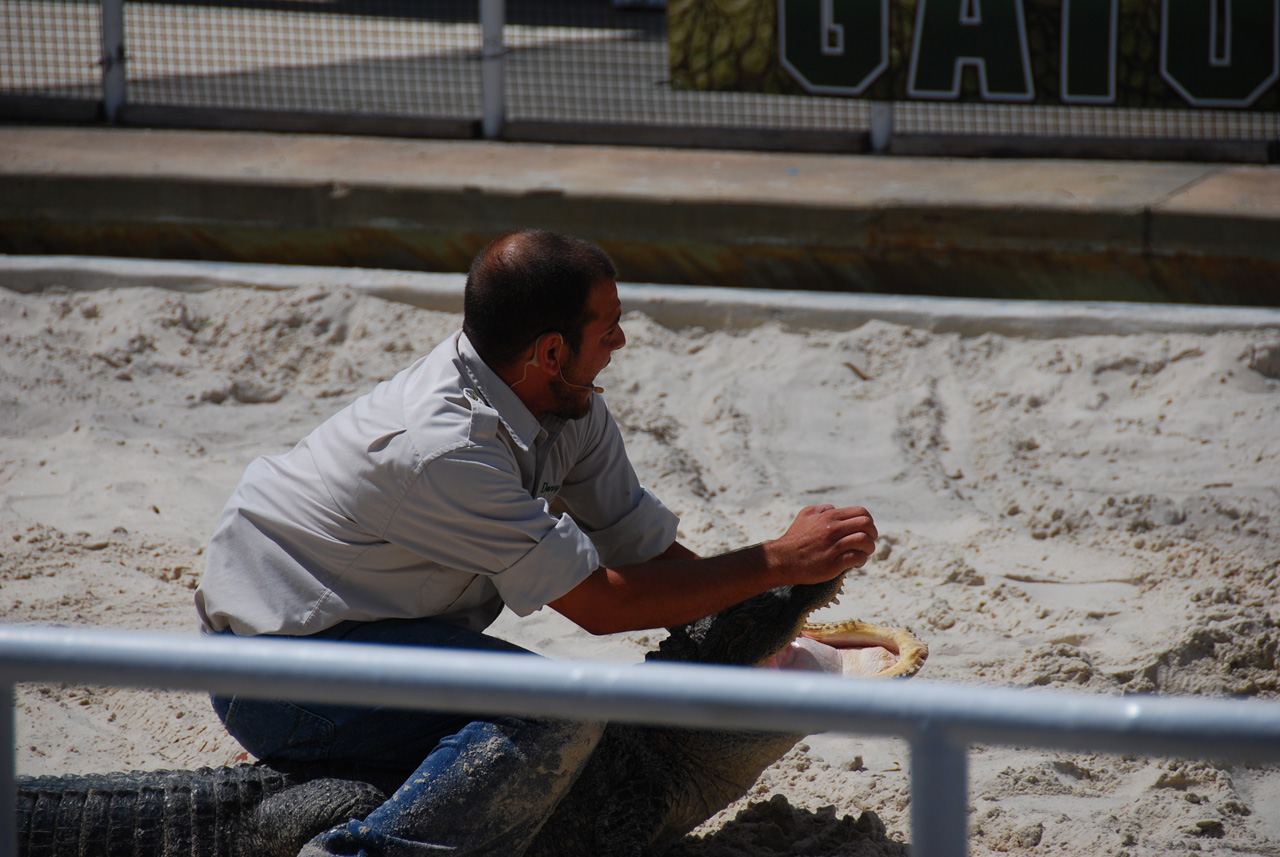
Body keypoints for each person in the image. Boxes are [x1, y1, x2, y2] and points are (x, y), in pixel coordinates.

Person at [194, 229, 878, 857]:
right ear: (551, 350)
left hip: (376, 629)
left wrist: (758, 628)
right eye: (608, 328)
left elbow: (637, 548)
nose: (622, 342)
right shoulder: (446, 449)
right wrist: (777, 560)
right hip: (276, 668)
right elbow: (600, 607)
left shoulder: (565, 400)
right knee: (553, 709)